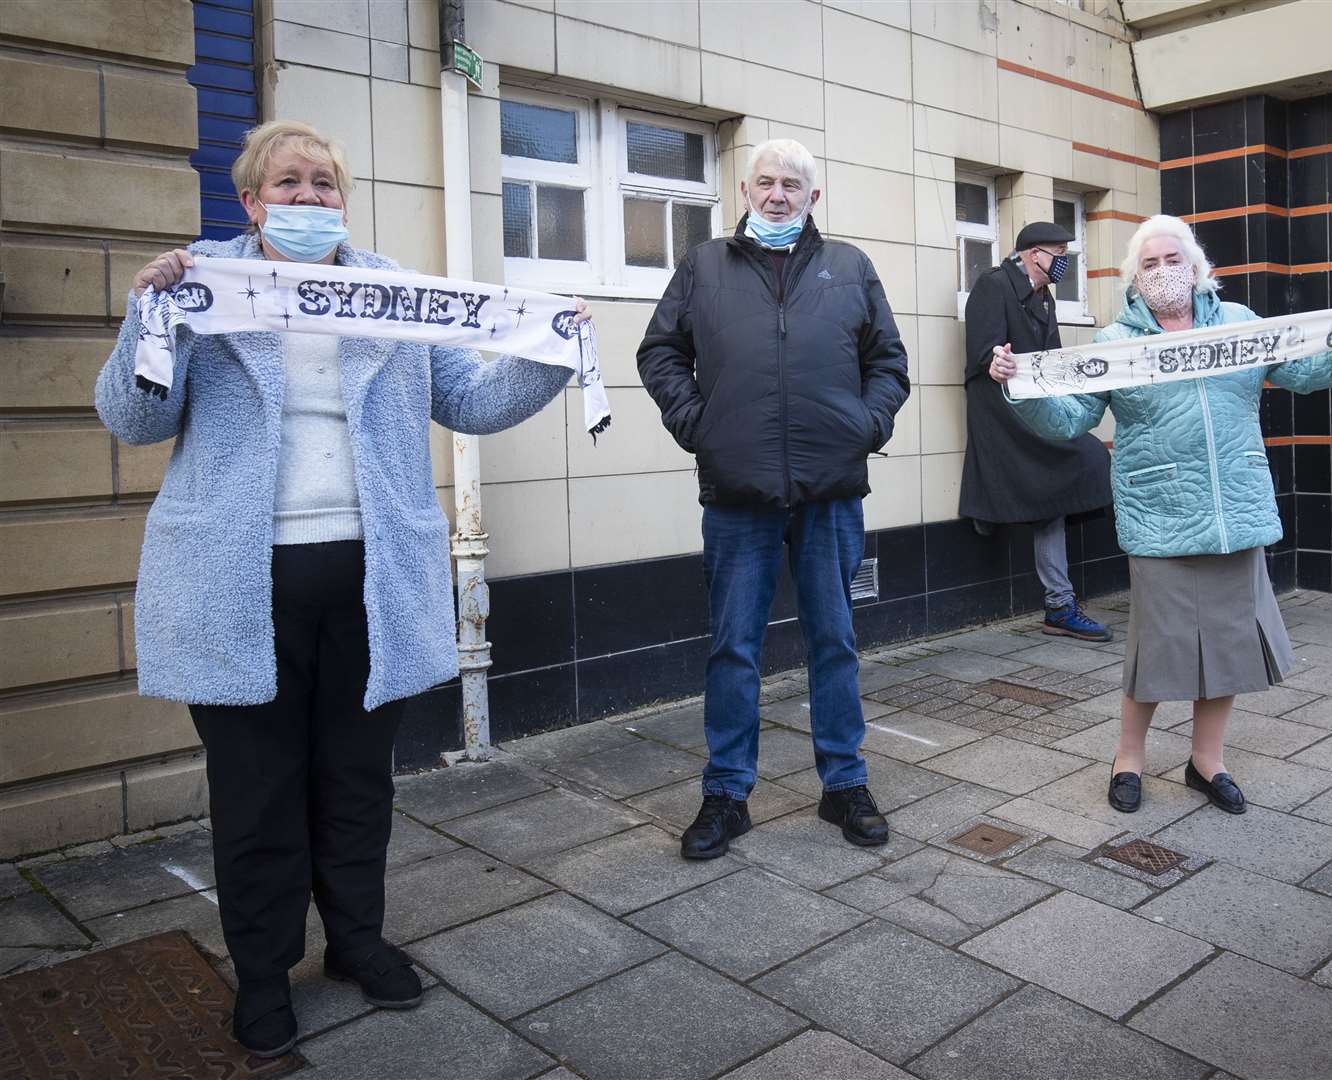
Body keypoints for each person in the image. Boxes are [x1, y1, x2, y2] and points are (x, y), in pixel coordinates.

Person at [94, 121, 587, 1058]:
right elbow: (133, 419)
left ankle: (357, 942)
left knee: (357, 782)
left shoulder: (389, 291)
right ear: (250, 201)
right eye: (290, 183)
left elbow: (472, 402)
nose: (311, 199)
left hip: (373, 580)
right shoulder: (204, 284)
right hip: (235, 585)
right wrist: (148, 316)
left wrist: (550, 350)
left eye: (326, 184)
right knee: (257, 791)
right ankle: (263, 975)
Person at [988, 214, 1332, 815]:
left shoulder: (1242, 325)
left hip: (1235, 510)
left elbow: (1309, 371)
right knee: (1157, 648)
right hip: (1159, 514)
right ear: (1133, 279)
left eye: (1173, 259)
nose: (1163, 270)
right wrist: (1020, 388)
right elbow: (1069, 419)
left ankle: (1206, 761)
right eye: (1150, 263)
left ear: (1196, 267)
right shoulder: (1117, 340)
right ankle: (1128, 759)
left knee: (1227, 648)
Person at [637, 139, 910, 859]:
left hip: (830, 492)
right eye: (766, 183)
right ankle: (726, 793)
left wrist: (867, 424)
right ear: (746, 190)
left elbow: (887, 361)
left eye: (792, 184)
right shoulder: (705, 266)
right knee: (733, 647)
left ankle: (843, 784)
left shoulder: (848, 267)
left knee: (835, 641)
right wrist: (702, 429)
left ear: (812, 197)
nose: (778, 194)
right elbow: (659, 352)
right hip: (738, 494)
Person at [960, 222, 1115, 642]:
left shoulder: (1045, 297)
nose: (1064, 260)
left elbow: (1054, 360)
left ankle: (1059, 604)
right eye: (1057, 251)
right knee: (1072, 465)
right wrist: (998, 363)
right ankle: (1058, 603)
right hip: (1003, 409)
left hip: (1036, 407)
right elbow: (982, 356)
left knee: (1078, 468)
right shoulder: (994, 286)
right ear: (1031, 254)